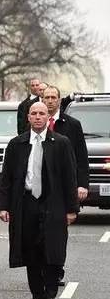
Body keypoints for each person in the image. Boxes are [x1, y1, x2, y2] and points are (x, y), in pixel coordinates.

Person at [0, 102, 78, 299]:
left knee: (53, 250)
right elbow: (7, 178)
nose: (38, 117)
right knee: (31, 250)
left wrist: (71, 209)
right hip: (27, 202)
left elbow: (70, 178)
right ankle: (37, 296)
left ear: (48, 117)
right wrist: (2, 206)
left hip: (54, 203)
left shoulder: (61, 143)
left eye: (42, 113)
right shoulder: (17, 144)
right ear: (29, 118)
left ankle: (50, 296)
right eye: (34, 113)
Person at [42, 85, 89, 285]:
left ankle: (57, 268)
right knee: (38, 230)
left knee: (58, 232)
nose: (50, 101)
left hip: (62, 188)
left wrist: (82, 185)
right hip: (38, 186)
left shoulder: (72, 125)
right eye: (47, 97)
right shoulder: (35, 123)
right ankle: (43, 269)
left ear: (59, 100)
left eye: (53, 97)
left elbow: (81, 157)